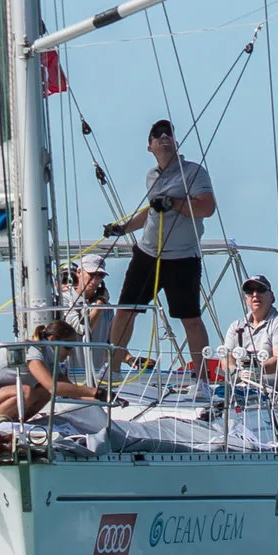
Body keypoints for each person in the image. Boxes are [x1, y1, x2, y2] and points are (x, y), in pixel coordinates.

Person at [103, 121, 216, 371]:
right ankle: (112, 371)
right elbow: (151, 212)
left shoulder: (194, 172)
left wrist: (174, 203)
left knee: (191, 320)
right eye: (157, 135)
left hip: (182, 258)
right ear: (150, 147)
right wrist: (123, 228)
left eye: (168, 134)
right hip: (147, 255)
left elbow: (207, 208)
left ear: (175, 142)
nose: (164, 137)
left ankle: (202, 379)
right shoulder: (151, 176)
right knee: (125, 311)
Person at [225, 275, 278, 388]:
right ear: (246, 299)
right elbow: (227, 356)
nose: (255, 294)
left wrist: (257, 370)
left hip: (273, 392)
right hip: (239, 390)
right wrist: (234, 373)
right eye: (250, 291)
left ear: (271, 296)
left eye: (261, 289)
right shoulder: (235, 326)